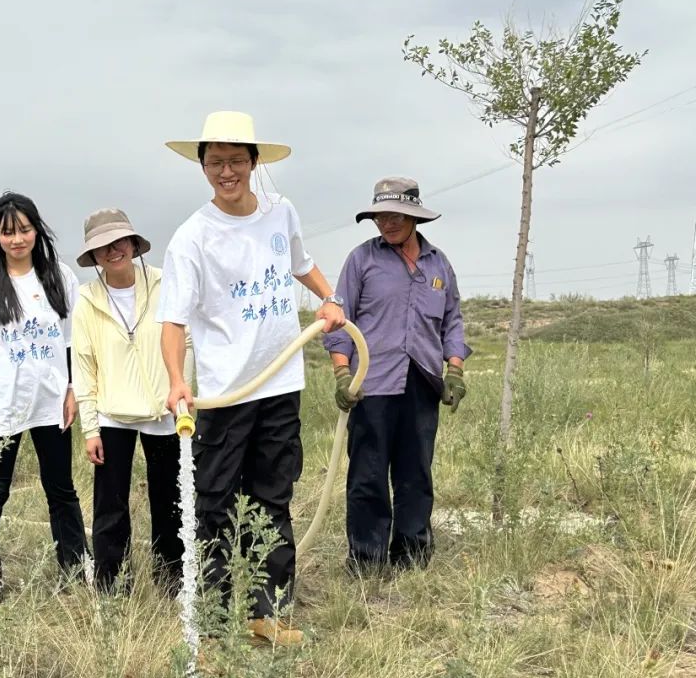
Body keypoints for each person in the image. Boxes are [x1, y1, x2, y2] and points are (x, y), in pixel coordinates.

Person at [157, 111, 346, 647]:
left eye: (236, 160)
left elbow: (301, 263)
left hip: (281, 385)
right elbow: (172, 321)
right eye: (215, 161)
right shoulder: (192, 238)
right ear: (202, 167)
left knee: (272, 496)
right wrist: (177, 380)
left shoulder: (280, 213)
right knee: (215, 504)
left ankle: (269, 614)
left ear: (254, 163)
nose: (226, 171)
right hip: (223, 395)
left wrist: (327, 298)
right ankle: (214, 619)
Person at [324, 177, 471, 574]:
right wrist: (342, 374)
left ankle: (412, 557)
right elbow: (340, 321)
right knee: (367, 474)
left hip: (422, 382)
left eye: (395, 216)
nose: (386, 223)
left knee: (416, 473)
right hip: (371, 385)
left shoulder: (439, 264)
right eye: (380, 216)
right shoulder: (362, 260)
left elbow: (453, 321)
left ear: (413, 218)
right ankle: (368, 561)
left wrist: (454, 370)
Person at [0, 191, 89, 595]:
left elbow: (70, 340)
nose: (17, 239)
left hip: (51, 401)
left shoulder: (60, 277)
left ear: (37, 230)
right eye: (7, 232)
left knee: (61, 488)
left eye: (24, 230)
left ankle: (75, 568)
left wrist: (72, 389)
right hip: (2, 406)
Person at [72, 208, 186, 595]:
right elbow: (83, 365)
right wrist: (90, 428)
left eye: (119, 241)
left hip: (164, 411)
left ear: (134, 244)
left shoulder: (163, 283)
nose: (113, 250)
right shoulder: (87, 299)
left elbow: (185, 341)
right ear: (94, 255)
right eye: (102, 246)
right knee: (111, 507)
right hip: (112, 415)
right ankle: (112, 586)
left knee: (170, 501)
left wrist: (184, 391)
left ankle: (173, 579)